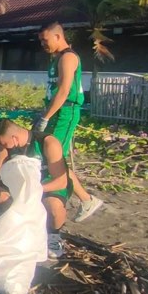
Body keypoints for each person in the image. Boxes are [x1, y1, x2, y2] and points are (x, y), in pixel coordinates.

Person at [0, 118, 71, 259]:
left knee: (54, 206)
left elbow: (61, 182)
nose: (0, 146)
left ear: (14, 138)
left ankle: (53, 235)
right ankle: (15, 225)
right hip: (20, 185)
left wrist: (33, 189)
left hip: (47, 184)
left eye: (2, 143)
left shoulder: (48, 143)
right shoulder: (5, 148)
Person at [35, 22, 103, 222]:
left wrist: (46, 118)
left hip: (65, 113)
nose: (42, 44)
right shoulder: (56, 58)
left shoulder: (68, 57)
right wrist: (45, 112)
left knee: (55, 157)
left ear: (57, 36)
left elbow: (64, 91)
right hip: (55, 112)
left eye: (45, 40)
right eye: (40, 40)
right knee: (48, 156)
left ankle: (86, 199)